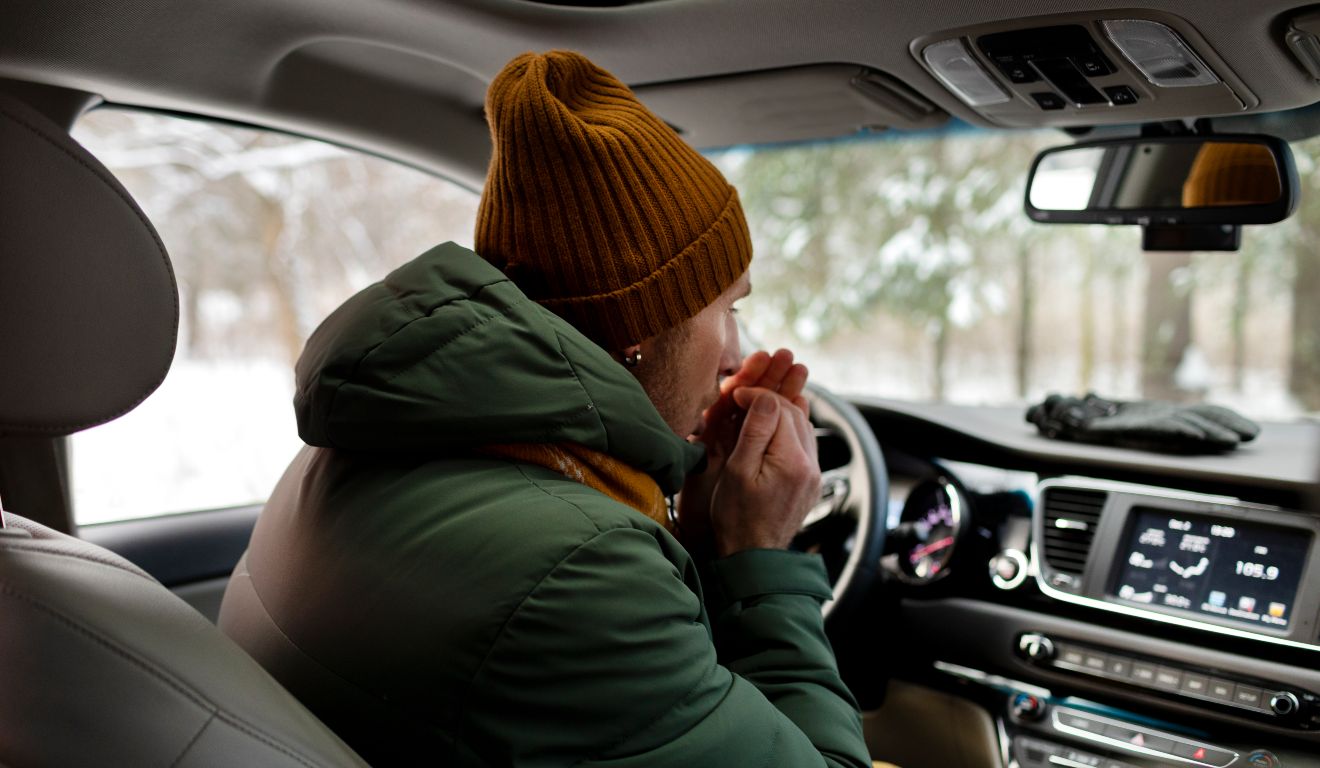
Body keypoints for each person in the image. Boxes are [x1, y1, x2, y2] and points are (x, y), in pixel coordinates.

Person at [219, 49, 872, 768]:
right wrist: (759, 557)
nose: (734, 355)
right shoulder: (581, 573)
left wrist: (694, 531)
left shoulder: (348, 449)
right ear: (640, 328)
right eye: (728, 309)